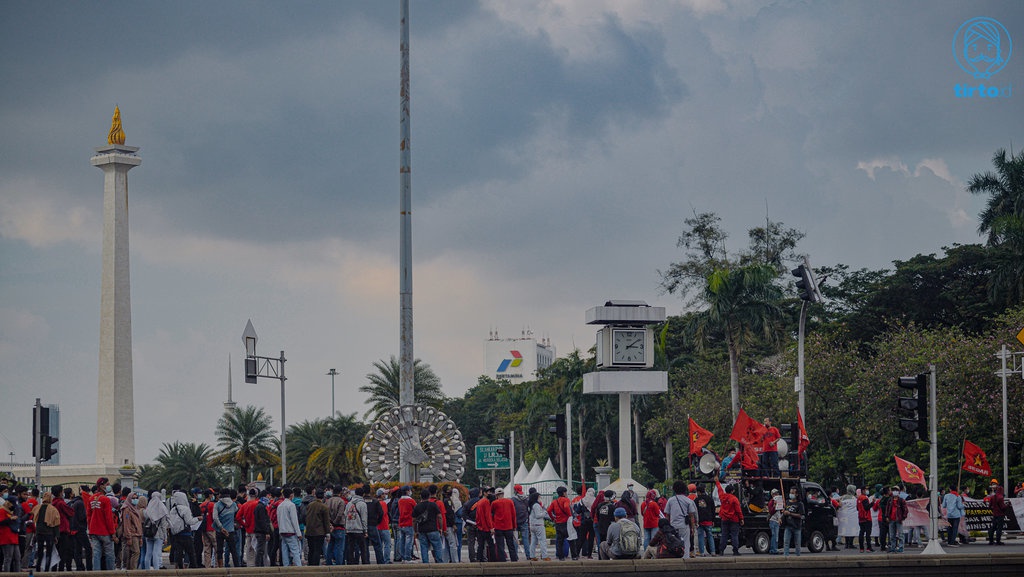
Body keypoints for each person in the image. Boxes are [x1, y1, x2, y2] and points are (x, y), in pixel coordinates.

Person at [663, 480, 697, 559]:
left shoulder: (670, 500)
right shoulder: (688, 501)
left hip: (673, 526)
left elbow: (667, 515)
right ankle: (685, 558)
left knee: (673, 543)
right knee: (686, 543)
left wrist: (666, 527)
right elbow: (691, 515)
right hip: (684, 526)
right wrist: (692, 528)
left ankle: (675, 558)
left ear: (674, 489)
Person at [88, 478, 117, 570]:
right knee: (109, 555)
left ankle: (96, 573)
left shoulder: (91, 499)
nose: (109, 486)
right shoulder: (105, 500)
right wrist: (113, 533)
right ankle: (110, 573)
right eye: (107, 484)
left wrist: (90, 530)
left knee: (96, 554)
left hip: (93, 531)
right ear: (101, 486)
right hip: (104, 532)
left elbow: (88, 516)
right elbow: (108, 518)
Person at [412, 490, 445, 563]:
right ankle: (439, 562)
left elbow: (414, 520)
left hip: (422, 530)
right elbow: (439, 517)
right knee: (437, 547)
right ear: (429, 496)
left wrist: (415, 531)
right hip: (433, 529)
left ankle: (425, 563)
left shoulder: (417, 506)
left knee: (424, 548)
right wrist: (441, 528)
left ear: (421, 496)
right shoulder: (433, 505)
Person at [143, 491, 170, 570]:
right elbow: (163, 525)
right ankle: (156, 570)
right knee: (156, 553)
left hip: (148, 533)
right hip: (158, 534)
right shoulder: (162, 509)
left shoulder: (148, 509)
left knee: (148, 553)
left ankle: (147, 569)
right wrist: (165, 537)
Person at [213, 489, 240, 567]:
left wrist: (221, 527)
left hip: (220, 530)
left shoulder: (217, 505)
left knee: (220, 550)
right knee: (233, 550)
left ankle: (221, 567)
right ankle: (237, 567)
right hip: (230, 530)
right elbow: (236, 512)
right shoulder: (234, 504)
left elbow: (215, 517)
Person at [716, 480, 743, 556]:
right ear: (732, 491)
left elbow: (719, 489)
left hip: (724, 519)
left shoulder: (722, 497)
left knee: (724, 535)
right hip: (734, 519)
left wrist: (717, 482)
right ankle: (735, 550)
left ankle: (721, 550)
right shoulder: (734, 499)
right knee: (734, 535)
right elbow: (738, 510)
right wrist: (741, 519)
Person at [491, 488, 518, 561]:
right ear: (503, 494)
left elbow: (492, 514)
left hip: (498, 527)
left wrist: (492, 526)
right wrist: (514, 526)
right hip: (509, 526)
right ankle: (514, 559)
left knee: (500, 546)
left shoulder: (494, 503)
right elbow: (513, 514)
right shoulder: (510, 502)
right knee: (511, 545)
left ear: (496, 495)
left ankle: (502, 560)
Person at [118, 491, 143, 570]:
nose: (135, 500)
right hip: (132, 534)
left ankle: (130, 570)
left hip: (137, 534)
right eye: (133, 498)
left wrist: (140, 536)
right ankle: (133, 570)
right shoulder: (127, 509)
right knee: (136, 552)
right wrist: (128, 536)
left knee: (131, 553)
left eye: (136, 498)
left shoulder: (135, 509)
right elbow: (127, 524)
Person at [547, 487, 572, 561]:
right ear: (564, 493)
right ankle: (573, 555)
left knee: (559, 541)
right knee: (570, 539)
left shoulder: (555, 501)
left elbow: (549, 510)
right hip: (566, 522)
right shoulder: (566, 500)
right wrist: (569, 515)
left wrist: (553, 518)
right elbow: (566, 506)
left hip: (558, 522)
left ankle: (560, 556)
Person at [693, 484, 716, 557]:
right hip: (709, 520)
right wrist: (713, 520)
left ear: (698, 492)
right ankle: (713, 552)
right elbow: (713, 510)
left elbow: (694, 511)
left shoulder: (696, 500)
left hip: (700, 521)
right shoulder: (709, 499)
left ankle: (702, 553)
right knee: (710, 536)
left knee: (700, 536)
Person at [527, 491, 550, 561]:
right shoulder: (536, 505)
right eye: (539, 497)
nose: (540, 498)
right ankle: (544, 556)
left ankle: (532, 555)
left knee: (533, 541)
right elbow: (538, 515)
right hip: (538, 525)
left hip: (532, 525)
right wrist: (545, 512)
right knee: (542, 541)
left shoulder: (531, 505)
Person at [781, 486, 804, 556]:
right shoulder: (787, 502)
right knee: (786, 542)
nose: (791, 494)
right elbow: (784, 511)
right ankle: (786, 556)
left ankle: (797, 557)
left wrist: (790, 514)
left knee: (797, 544)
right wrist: (783, 515)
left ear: (796, 494)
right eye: (790, 493)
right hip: (788, 525)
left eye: (793, 493)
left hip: (797, 526)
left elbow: (800, 515)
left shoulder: (800, 504)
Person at [886, 486, 908, 554]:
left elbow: (905, 509)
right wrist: (887, 516)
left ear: (898, 492)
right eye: (893, 490)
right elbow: (887, 509)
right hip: (891, 519)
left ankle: (901, 548)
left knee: (900, 534)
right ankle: (893, 548)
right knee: (892, 535)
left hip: (899, 519)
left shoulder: (901, 500)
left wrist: (903, 517)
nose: (895, 491)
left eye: (896, 490)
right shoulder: (890, 500)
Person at [511, 485, 531, 560]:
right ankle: (528, 555)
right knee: (525, 539)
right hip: (524, 521)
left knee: (515, 540)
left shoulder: (513, 499)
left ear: (515, 491)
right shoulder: (526, 499)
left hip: (515, 522)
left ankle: (515, 556)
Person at [857, 486, 874, 552]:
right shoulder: (865, 498)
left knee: (861, 532)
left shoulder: (858, 498)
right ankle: (868, 548)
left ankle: (861, 548)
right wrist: (872, 503)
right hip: (867, 518)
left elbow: (857, 508)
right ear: (863, 490)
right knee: (868, 534)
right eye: (866, 490)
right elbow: (867, 507)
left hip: (861, 518)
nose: (867, 491)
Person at [767, 488, 783, 555]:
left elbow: (779, 512)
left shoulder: (779, 501)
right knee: (774, 535)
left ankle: (774, 549)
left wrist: (780, 518)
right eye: (775, 494)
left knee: (775, 536)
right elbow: (771, 511)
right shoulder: (771, 502)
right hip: (773, 520)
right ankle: (773, 549)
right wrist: (774, 505)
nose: (777, 495)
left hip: (776, 521)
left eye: (777, 493)